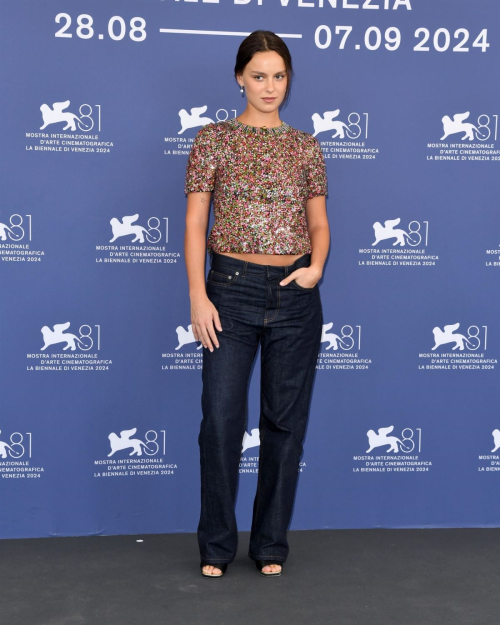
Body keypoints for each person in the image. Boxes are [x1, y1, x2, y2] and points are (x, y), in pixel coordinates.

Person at [184, 30, 330, 578]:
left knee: (284, 426)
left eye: (280, 75)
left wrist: (314, 267)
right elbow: (197, 222)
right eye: (260, 75)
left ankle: (270, 544)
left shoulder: (305, 145)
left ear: (289, 81)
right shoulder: (213, 139)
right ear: (240, 78)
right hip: (229, 290)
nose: (270, 86)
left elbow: (318, 222)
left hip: (295, 296)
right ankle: (216, 546)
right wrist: (198, 294)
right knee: (220, 422)